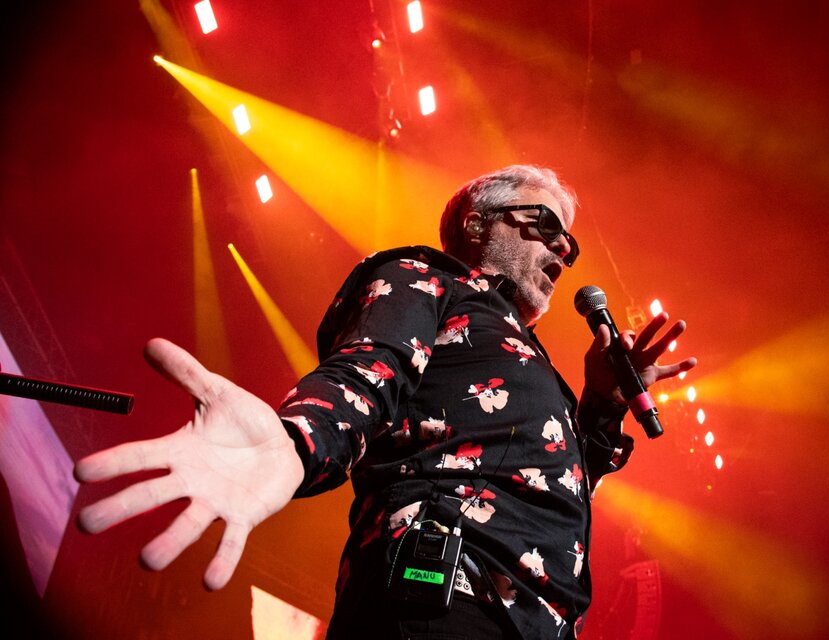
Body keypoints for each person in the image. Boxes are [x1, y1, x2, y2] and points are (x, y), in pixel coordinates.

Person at [75, 165, 696, 639]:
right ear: (478, 224)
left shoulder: (534, 365)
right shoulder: (425, 278)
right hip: (447, 593)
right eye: (547, 226)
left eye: (571, 244)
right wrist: (294, 443)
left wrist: (601, 404)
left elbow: (553, 488)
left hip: (535, 621)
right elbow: (372, 368)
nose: (563, 250)